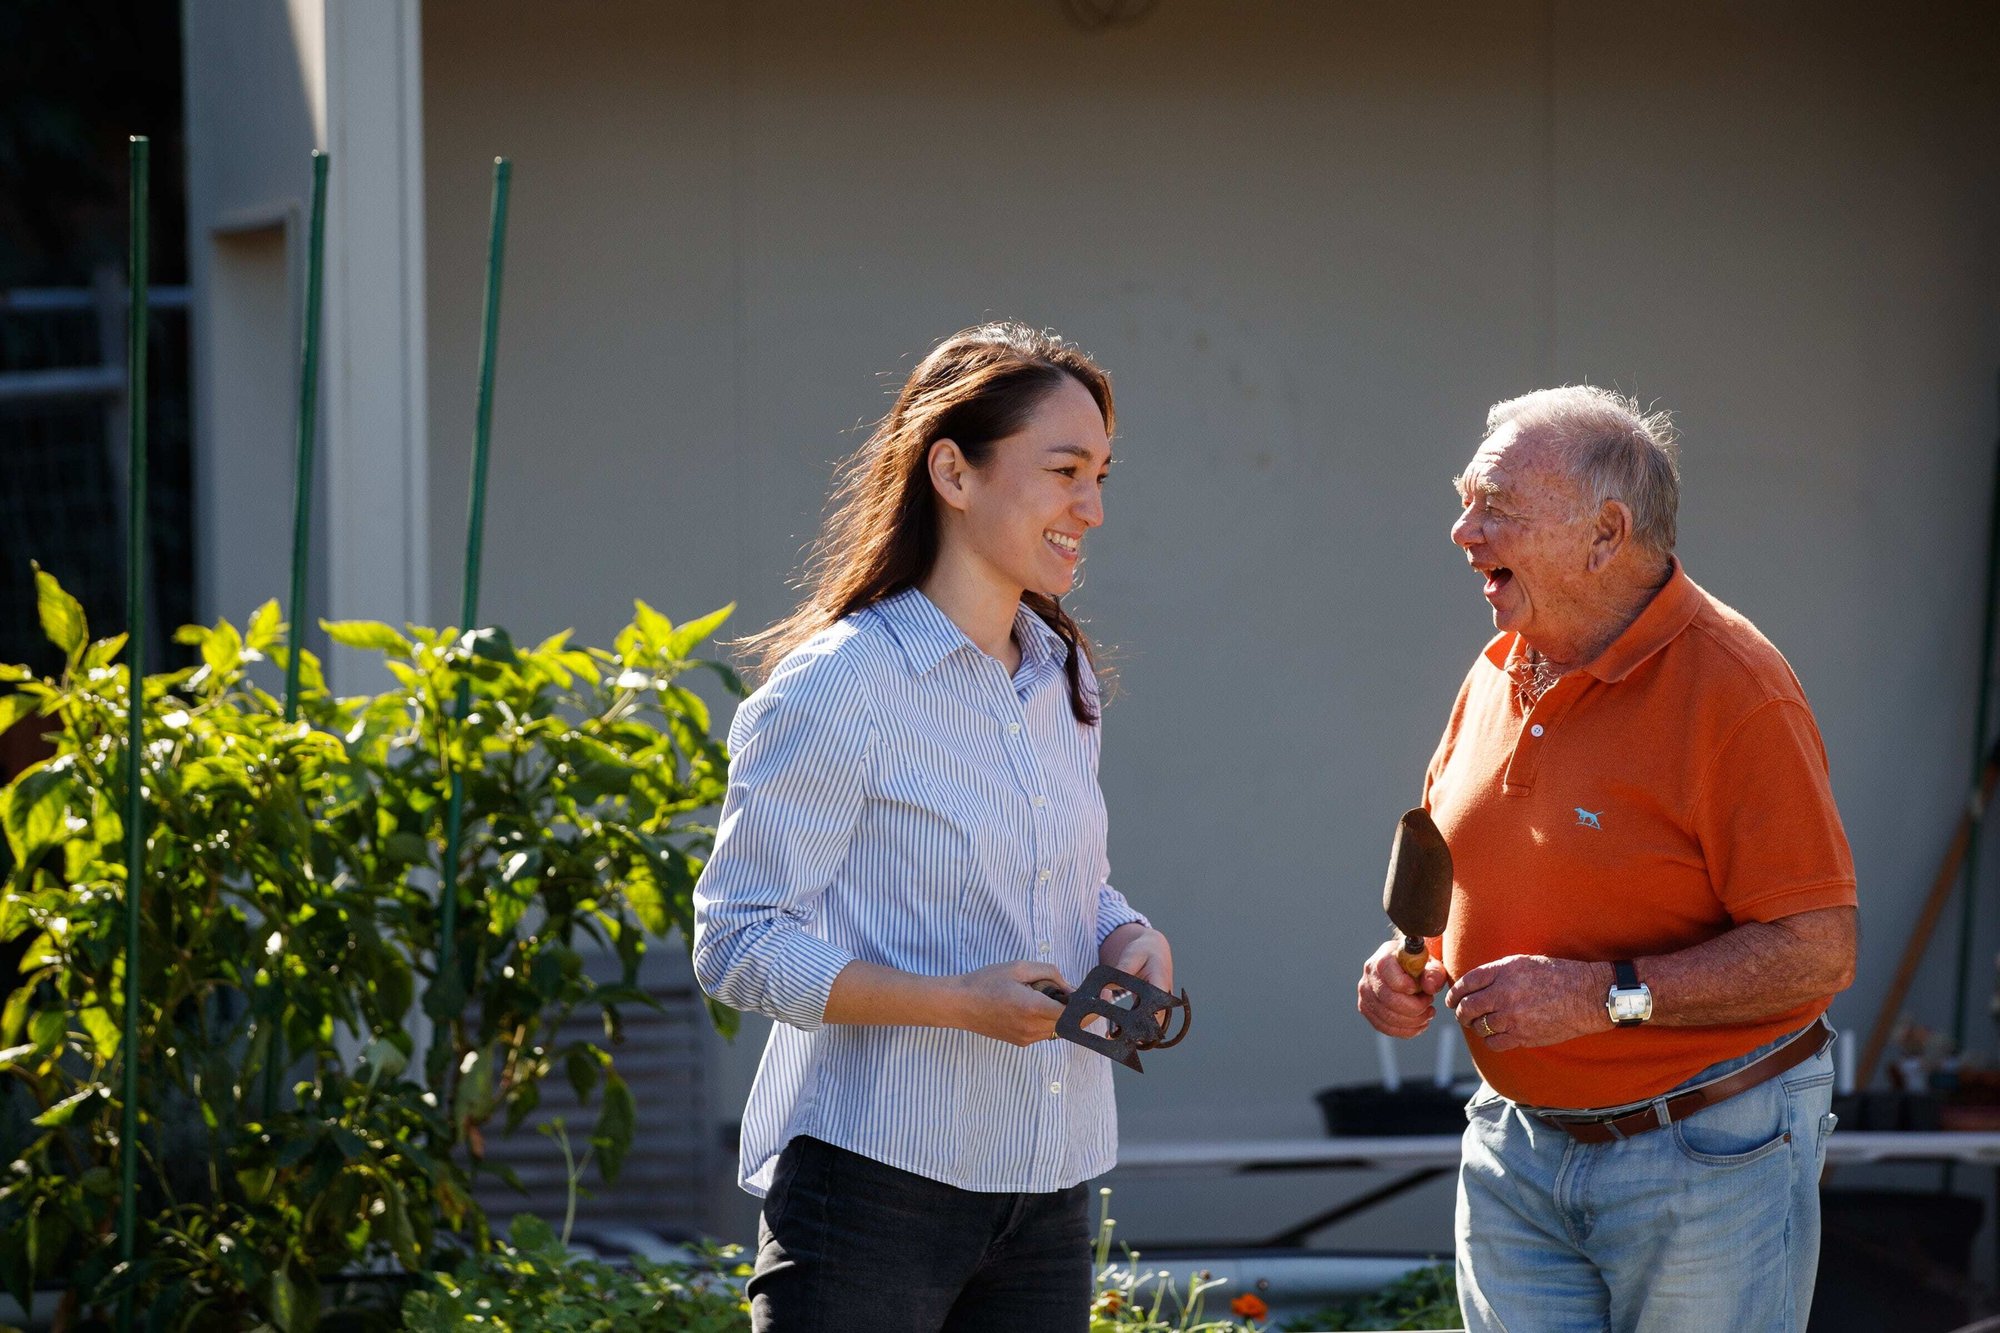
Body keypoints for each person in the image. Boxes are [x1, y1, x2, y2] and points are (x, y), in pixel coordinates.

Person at [692, 322, 1173, 1333]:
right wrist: (952, 1001)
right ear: (951, 471)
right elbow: (735, 944)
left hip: (1047, 1186)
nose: (1089, 507)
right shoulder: (836, 688)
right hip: (874, 1192)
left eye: (1101, 475)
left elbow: (1067, 879)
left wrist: (1125, 936)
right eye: (1062, 470)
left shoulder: (1061, 675)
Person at [1355, 386, 1857, 1332]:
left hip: (1707, 1153)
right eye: (1466, 498)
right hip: (1518, 1148)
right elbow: (1456, 864)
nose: (1463, 530)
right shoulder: (1502, 660)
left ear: (1605, 534)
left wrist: (1601, 996)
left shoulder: (1737, 690)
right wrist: (1408, 964)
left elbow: (1819, 950)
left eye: (1495, 504)